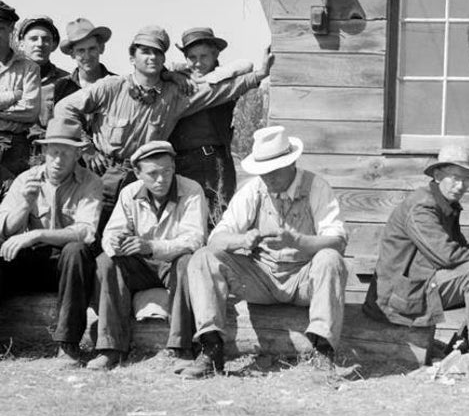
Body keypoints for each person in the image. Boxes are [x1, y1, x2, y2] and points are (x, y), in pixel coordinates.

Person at [53, 25, 271, 237]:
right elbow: (64, 108)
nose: (152, 57)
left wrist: (260, 74)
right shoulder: (111, 86)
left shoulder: (174, 95)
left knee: (140, 238)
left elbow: (219, 90)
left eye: (157, 53)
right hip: (104, 175)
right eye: (145, 51)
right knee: (90, 236)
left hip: (144, 179)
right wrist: (87, 148)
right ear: (132, 58)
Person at [179, 126, 348, 379]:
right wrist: (242, 239)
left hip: (304, 279)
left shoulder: (316, 187)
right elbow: (217, 239)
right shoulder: (253, 189)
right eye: (263, 171)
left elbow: (338, 241)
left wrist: (298, 241)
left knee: (330, 258)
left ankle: (323, 352)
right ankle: (211, 349)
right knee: (203, 257)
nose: (268, 177)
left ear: (291, 163)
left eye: (274, 170)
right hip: (260, 279)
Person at [364, 144, 469, 378]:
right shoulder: (422, 206)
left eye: (466, 180)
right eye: (455, 178)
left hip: (423, 284)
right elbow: (445, 254)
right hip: (400, 296)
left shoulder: (445, 205)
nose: (461, 186)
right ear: (438, 175)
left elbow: (460, 247)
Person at [88, 141, 206, 370]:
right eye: (153, 174)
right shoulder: (129, 193)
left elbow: (195, 239)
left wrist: (150, 246)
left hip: (173, 265)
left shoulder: (191, 190)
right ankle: (111, 347)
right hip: (141, 267)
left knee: (187, 262)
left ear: (174, 168)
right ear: (137, 173)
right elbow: (110, 234)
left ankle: (183, 347)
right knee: (106, 261)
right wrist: (117, 243)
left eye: (167, 171)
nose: (161, 179)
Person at [0, 116, 101, 365]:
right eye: (54, 152)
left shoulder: (91, 182)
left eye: (66, 154)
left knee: (76, 250)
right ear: (44, 151)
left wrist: (38, 234)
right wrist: (25, 205)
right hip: (32, 262)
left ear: (77, 154)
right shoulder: (26, 179)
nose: (58, 160)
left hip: (68, 268)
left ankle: (68, 345)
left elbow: (86, 232)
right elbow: (5, 230)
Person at [168, 27, 246, 227]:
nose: (198, 63)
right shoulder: (179, 80)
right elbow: (158, 74)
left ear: (215, 54)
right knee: (184, 218)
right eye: (192, 57)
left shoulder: (226, 80)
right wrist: (174, 76)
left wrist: (201, 79)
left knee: (218, 216)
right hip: (181, 160)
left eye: (204, 56)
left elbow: (246, 65)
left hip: (214, 160)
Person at [0, 1, 42, 184]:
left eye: (0, 28)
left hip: (15, 149)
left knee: (14, 196)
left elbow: (30, 111)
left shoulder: (29, 68)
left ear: (11, 29)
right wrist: (12, 97)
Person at [15, 16, 69, 135]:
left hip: (51, 144)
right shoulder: (6, 78)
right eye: (33, 39)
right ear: (21, 44)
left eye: (46, 39)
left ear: (54, 45)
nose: (40, 44)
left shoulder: (66, 82)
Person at [53, 18, 116, 105]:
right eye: (81, 50)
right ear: (72, 54)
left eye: (92, 49)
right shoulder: (62, 87)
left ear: (101, 48)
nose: (87, 56)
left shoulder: (117, 84)